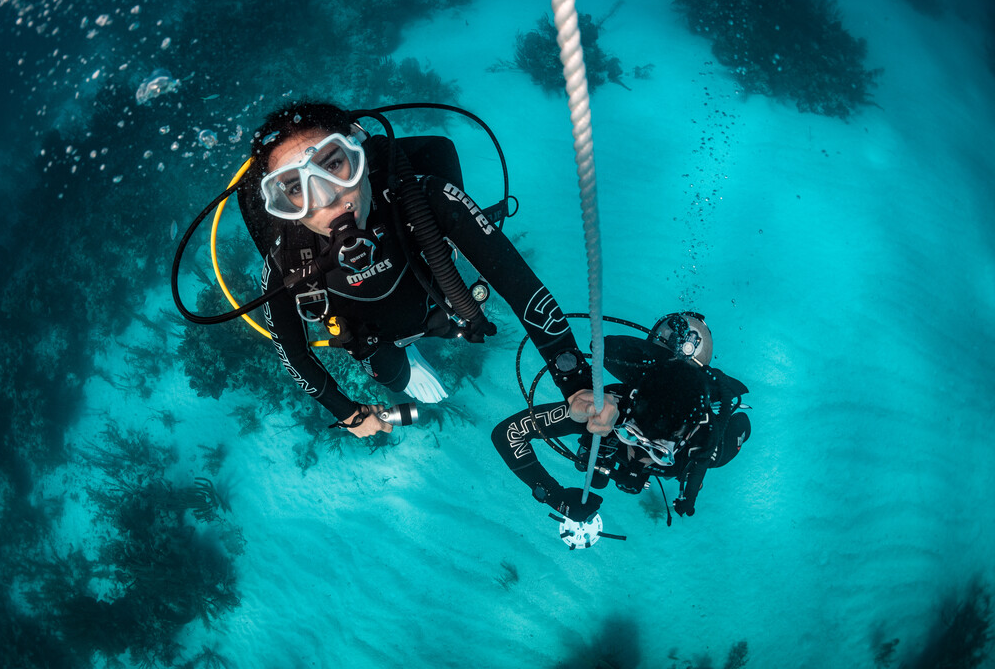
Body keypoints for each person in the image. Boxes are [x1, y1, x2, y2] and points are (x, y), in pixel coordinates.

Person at [236, 101, 607, 438]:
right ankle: (408, 360)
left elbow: (520, 286)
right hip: (373, 342)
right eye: (295, 188)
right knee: (396, 377)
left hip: (437, 307)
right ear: (283, 204)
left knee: (455, 328)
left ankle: (418, 344)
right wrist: (350, 415)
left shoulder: (426, 197)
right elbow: (294, 355)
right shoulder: (286, 264)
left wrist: (575, 382)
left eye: (333, 164)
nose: (326, 197)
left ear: (359, 155)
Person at [491, 313, 751, 522]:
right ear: (624, 413)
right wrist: (553, 495)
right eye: (629, 433)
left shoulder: (707, 443)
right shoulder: (608, 409)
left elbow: (742, 425)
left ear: (686, 441)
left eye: (660, 452)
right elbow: (509, 433)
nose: (637, 454)